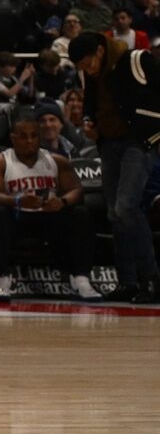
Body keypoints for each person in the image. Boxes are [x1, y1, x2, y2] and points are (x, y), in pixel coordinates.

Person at [66, 32, 158, 302]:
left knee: (126, 207)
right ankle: (128, 282)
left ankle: (151, 279)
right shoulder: (91, 73)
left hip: (139, 142)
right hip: (109, 143)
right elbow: (91, 106)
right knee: (114, 213)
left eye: (88, 63)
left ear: (100, 51)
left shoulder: (137, 59)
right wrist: (89, 123)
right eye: (81, 67)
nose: (87, 70)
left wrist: (154, 133)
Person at [0, 114, 98, 299]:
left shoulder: (56, 160)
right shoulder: (0, 162)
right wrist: (17, 201)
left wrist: (62, 201)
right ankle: (1, 278)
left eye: (34, 136)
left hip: (49, 216)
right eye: (23, 136)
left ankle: (81, 278)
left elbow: (77, 190)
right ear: (13, 138)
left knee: (81, 213)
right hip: (16, 218)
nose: (29, 141)